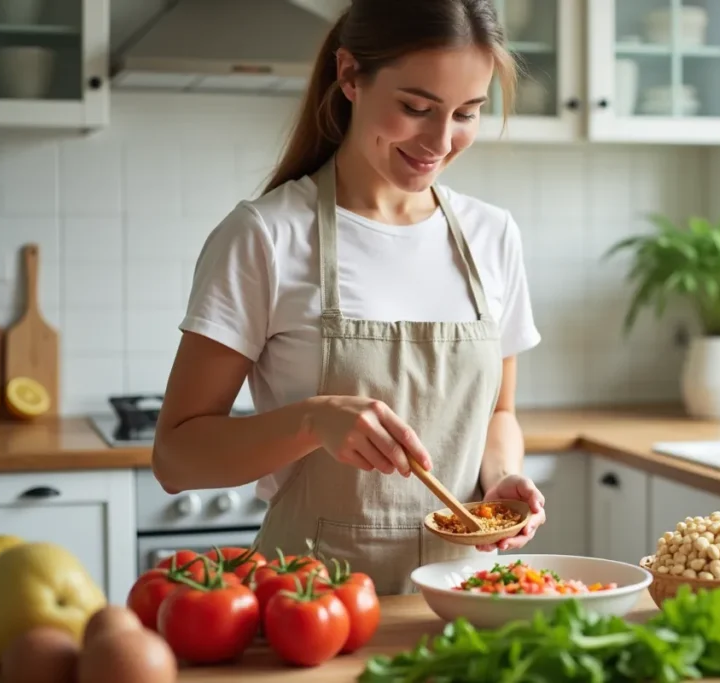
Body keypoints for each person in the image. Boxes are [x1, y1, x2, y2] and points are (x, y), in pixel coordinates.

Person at [150, 0, 545, 595]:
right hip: (310, 604)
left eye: (468, 113)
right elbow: (176, 459)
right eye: (416, 107)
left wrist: (503, 478)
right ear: (349, 75)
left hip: (465, 599)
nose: (441, 140)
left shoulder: (493, 236)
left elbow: (497, 413)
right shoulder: (266, 236)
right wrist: (312, 421)